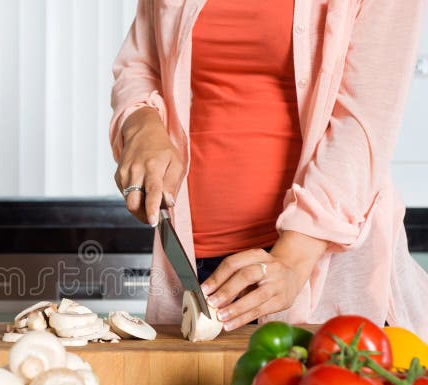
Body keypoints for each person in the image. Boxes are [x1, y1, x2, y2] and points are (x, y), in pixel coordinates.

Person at [110, 0, 428, 336]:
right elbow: (141, 63)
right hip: (193, 266)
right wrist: (141, 123)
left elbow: (362, 123)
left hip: (312, 267)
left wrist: (294, 258)